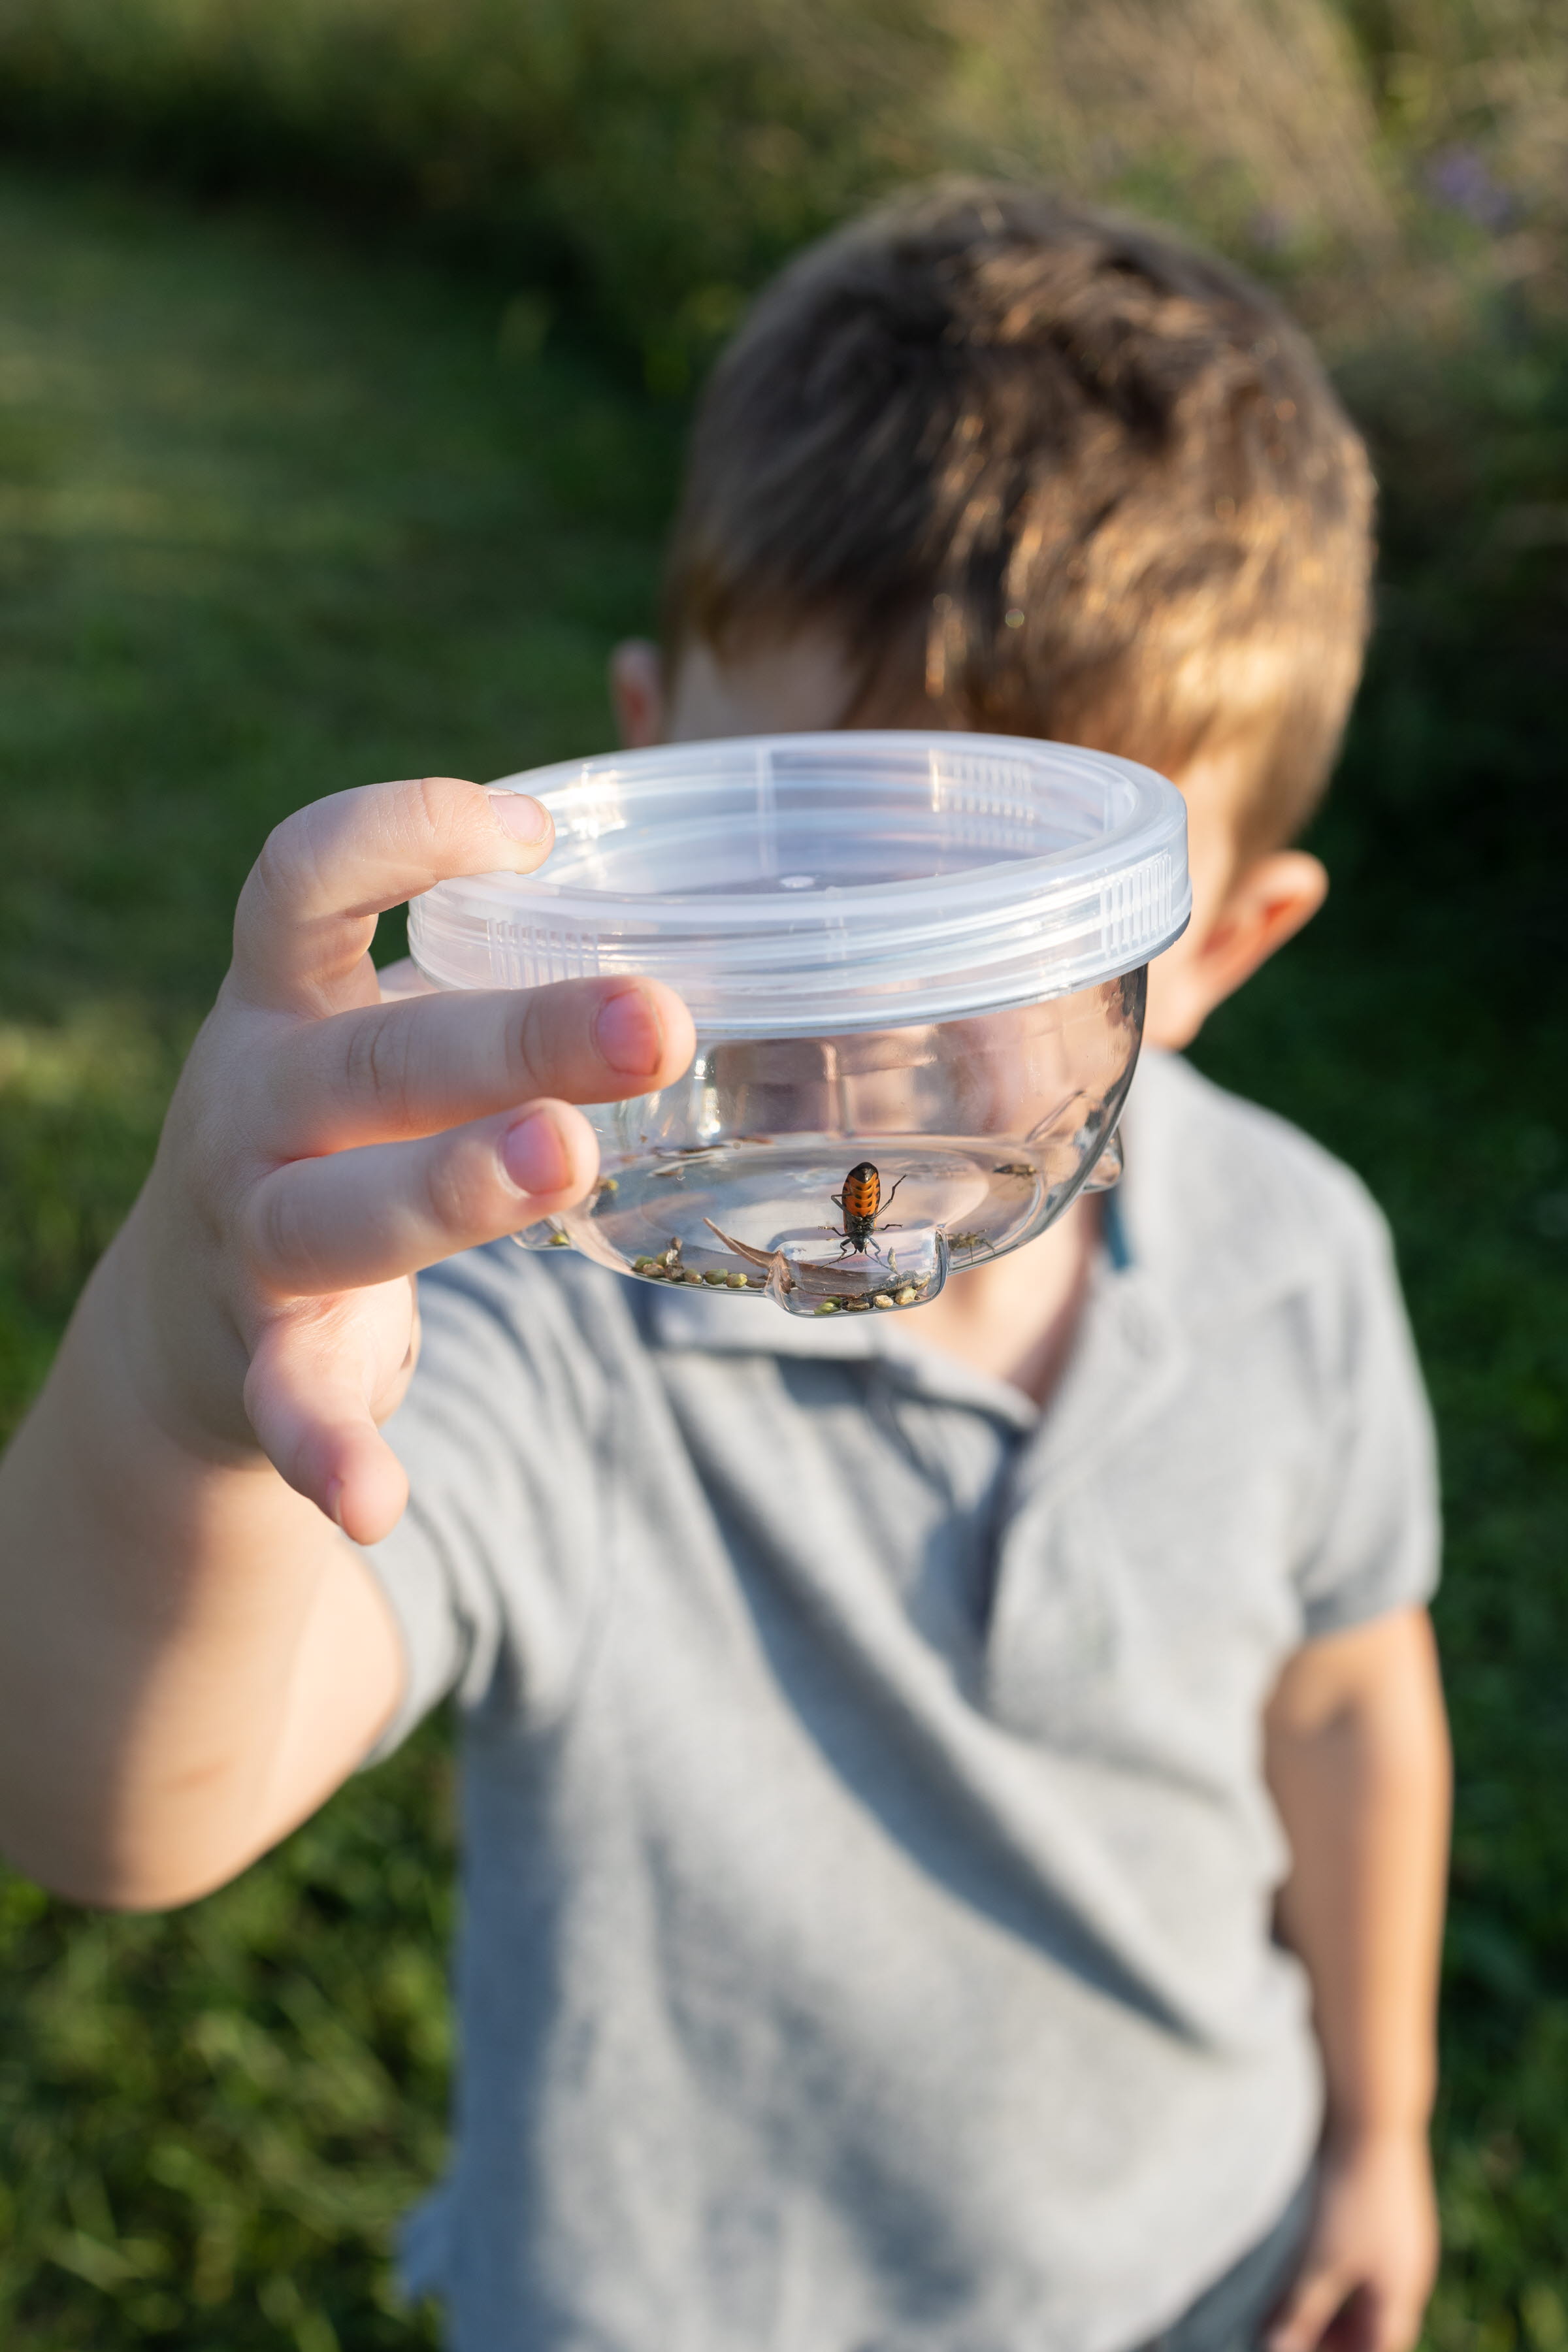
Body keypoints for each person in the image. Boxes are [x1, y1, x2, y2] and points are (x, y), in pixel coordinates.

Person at [0, 186, 1450, 2352]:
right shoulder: (542, 1308)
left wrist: (1380, 2140)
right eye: (804, 867)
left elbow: (1348, 1701)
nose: (872, 1034)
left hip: (1204, 2274)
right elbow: (112, 1809)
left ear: (1216, 943)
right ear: (642, 787)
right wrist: (180, 1376)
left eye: (1004, 931)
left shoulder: (1299, 1264)